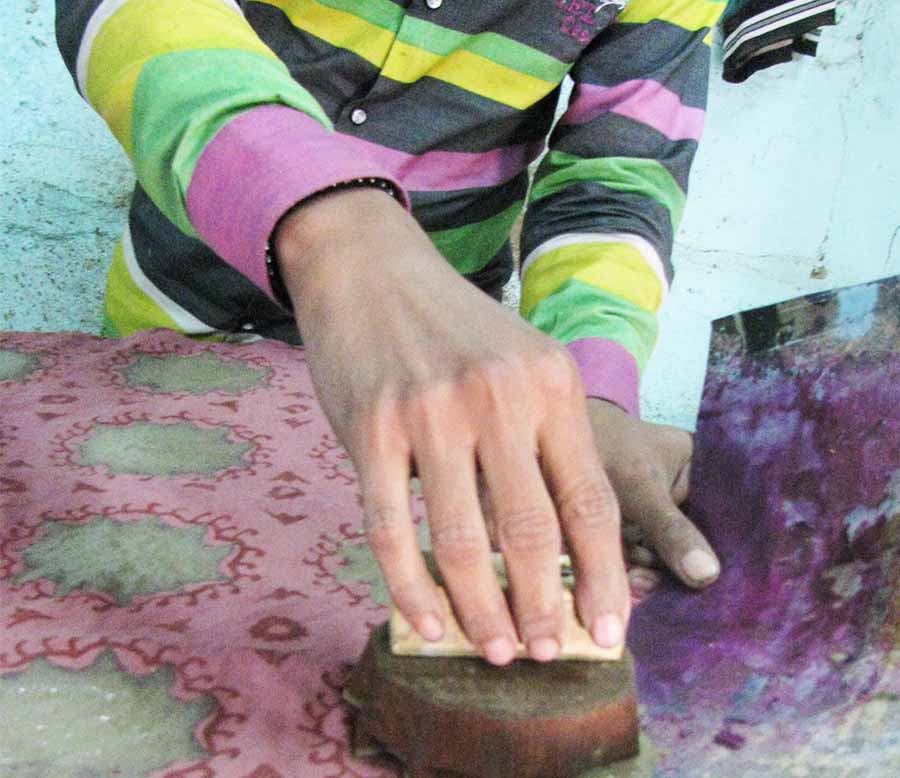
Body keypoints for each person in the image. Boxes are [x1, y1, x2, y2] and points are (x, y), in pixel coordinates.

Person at [55, 0, 724, 666]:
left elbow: (615, 180)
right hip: (177, 338)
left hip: (435, 402)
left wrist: (590, 391)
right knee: (132, 620)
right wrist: (336, 234)